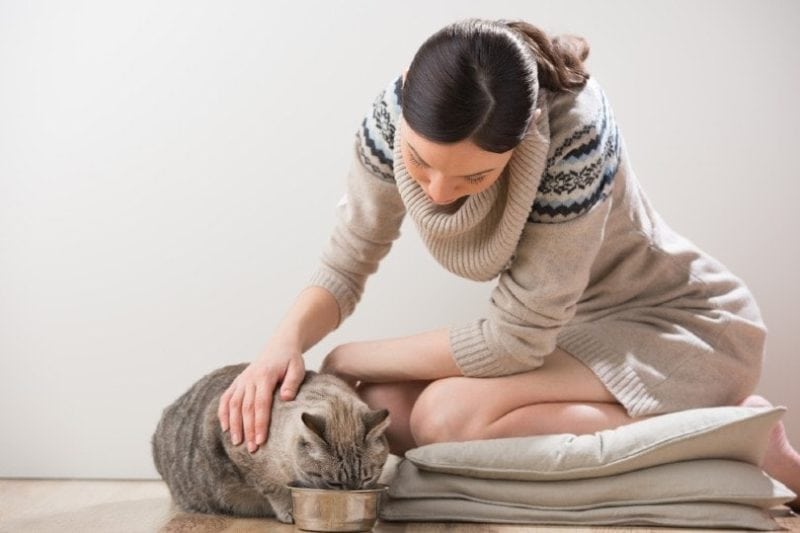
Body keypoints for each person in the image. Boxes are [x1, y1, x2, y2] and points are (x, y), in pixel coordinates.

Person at [217, 18, 799, 508]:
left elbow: (515, 339)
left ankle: (732, 434)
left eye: (475, 176)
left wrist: (345, 356)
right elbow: (347, 261)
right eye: (419, 163)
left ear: (524, 141)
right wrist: (282, 344)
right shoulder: (396, 111)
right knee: (379, 410)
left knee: (447, 415)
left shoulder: (575, 134)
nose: (440, 193)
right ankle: (696, 424)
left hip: (682, 325)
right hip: (573, 332)